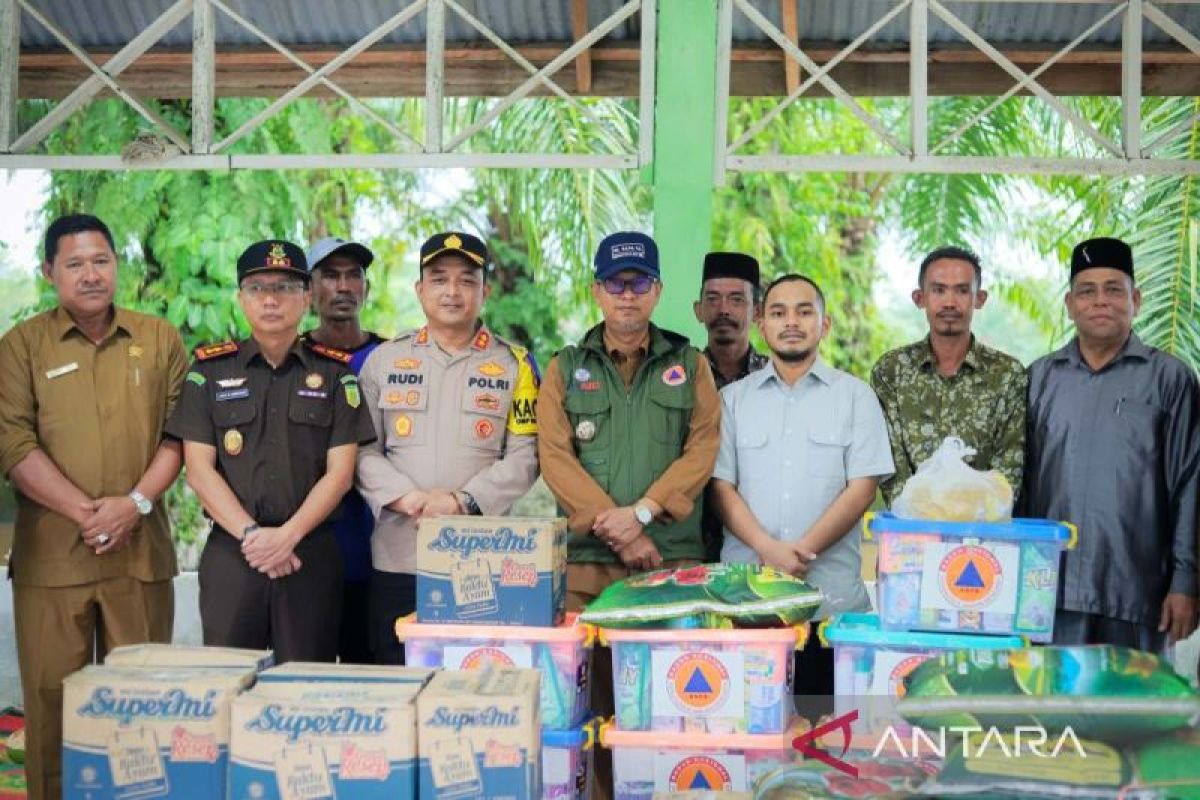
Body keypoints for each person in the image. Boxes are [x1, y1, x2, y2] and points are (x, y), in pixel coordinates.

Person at [0, 213, 187, 800]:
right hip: (54, 563)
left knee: (144, 704)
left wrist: (134, 505)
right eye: (75, 263)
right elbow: (12, 441)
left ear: (116, 266)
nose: (90, 274)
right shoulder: (21, 345)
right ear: (49, 272)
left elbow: (181, 435)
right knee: (53, 705)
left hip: (140, 558)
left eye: (100, 260)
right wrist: (88, 514)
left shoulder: (159, 338)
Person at [537, 231, 720, 800]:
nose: (627, 294)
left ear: (658, 290)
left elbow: (702, 450)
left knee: (667, 712)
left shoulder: (690, 365)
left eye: (639, 282)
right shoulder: (565, 368)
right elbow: (554, 458)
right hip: (586, 575)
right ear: (596, 291)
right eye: (615, 283)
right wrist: (616, 529)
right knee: (584, 717)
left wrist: (641, 514)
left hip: (670, 566)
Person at [165, 240, 375, 663]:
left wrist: (288, 537)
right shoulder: (209, 371)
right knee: (226, 682)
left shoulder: (336, 375)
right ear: (241, 298)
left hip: (309, 553)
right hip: (233, 551)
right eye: (258, 288)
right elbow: (199, 470)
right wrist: (253, 537)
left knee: (305, 690)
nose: (271, 299)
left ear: (306, 297)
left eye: (284, 287)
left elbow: (341, 473)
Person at [356, 232, 540, 664]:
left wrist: (461, 504)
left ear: (485, 292)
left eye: (466, 280)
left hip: (482, 561)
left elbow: (526, 456)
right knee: (397, 682)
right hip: (400, 558)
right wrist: (413, 499)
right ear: (420, 290)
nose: (452, 292)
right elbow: (361, 450)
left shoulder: (516, 365)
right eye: (439, 279)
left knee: (477, 681)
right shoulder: (384, 360)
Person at [712, 274, 893, 709]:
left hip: (829, 610)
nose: (791, 322)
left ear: (824, 324)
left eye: (804, 311)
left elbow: (863, 488)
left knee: (827, 746)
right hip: (748, 604)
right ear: (761, 323)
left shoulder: (856, 397)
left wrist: (801, 552)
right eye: (778, 312)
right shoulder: (732, 401)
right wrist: (767, 550)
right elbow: (721, 486)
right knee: (752, 743)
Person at [1023, 236, 1199, 652]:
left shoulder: (1170, 380)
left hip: (1138, 595)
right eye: (1087, 291)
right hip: (1049, 596)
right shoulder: (1039, 380)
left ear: (1135, 299)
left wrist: (1187, 581)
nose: (1100, 301)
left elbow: (1192, 484)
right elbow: (1019, 485)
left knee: (1135, 715)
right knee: (1051, 713)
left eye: (1113, 289)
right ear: (1070, 305)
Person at [871, 246, 1026, 506]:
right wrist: (922, 519)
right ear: (920, 298)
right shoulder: (892, 371)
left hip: (984, 534)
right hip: (911, 532)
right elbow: (891, 465)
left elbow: (1009, 467)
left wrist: (970, 520)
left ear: (980, 298)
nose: (950, 302)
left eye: (962, 290)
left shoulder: (1007, 374)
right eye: (938, 290)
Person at [301, 236, 385, 664]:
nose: (344, 286)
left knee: (371, 678)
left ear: (366, 288)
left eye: (354, 275)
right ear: (310, 289)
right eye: (330, 276)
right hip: (308, 551)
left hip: (378, 555)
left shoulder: (391, 358)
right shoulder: (291, 358)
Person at [695, 251, 769, 562]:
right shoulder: (679, 376)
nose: (723, 309)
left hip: (759, 541)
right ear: (698, 310)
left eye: (737, 299)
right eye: (713, 299)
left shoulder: (774, 379)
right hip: (690, 541)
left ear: (757, 312)